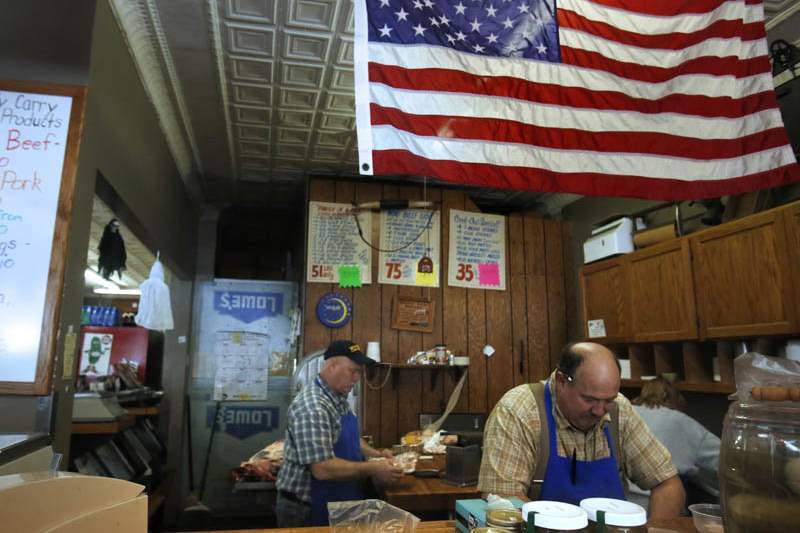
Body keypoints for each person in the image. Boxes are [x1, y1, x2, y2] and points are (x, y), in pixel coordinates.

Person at [478, 342, 685, 519]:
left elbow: (667, 483)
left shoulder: (619, 410)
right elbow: (504, 502)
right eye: (589, 399)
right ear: (561, 382)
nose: (600, 411)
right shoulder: (520, 410)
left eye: (608, 400)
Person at [276, 340, 403, 527]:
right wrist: (374, 468)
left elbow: (350, 438)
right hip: (307, 509)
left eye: (359, 372)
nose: (357, 378)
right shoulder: (313, 406)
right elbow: (322, 468)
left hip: (337, 501)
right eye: (353, 371)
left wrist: (377, 455)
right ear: (332, 366)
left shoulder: (337, 397)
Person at [628, 377, 721, 509]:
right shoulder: (682, 422)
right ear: (675, 398)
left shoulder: (627, 412)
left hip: (619, 499)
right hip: (658, 502)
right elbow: (726, 458)